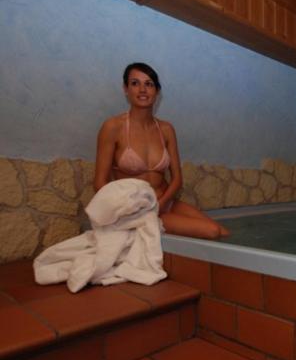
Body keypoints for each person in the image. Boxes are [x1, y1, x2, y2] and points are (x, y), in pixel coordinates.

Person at [94, 62, 229, 239]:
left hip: (165, 203)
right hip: (135, 211)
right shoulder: (113, 127)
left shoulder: (166, 129)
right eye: (135, 83)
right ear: (125, 89)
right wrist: (125, 210)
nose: (142, 89)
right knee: (211, 231)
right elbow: (100, 183)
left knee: (224, 232)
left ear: (157, 91)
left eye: (149, 84)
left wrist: (161, 203)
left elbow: (177, 179)